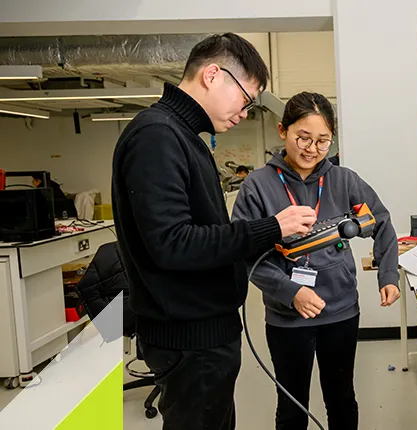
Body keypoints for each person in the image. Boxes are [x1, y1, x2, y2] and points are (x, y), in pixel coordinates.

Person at [110, 33, 318, 430]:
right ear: (212, 75)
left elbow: (201, 234)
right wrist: (270, 228)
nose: (244, 112)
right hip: (190, 339)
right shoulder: (157, 136)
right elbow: (173, 244)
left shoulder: (185, 137)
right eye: (246, 98)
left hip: (204, 334)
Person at [231, 92, 401, 430]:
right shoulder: (258, 186)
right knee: (292, 406)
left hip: (340, 311)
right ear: (282, 130)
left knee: (341, 398)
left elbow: (380, 222)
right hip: (286, 318)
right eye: (303, 138)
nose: (312, 149)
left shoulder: (344, 180)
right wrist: (289, 291)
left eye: (322, 141)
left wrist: (388, 274)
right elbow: (245, 254)